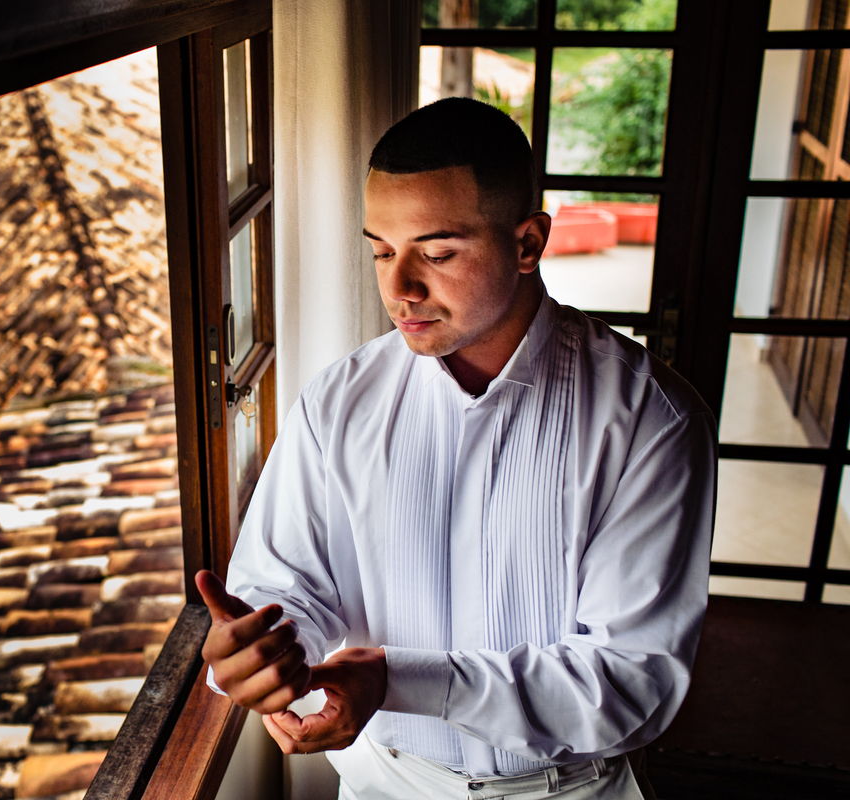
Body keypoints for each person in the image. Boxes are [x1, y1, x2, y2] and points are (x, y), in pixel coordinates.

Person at [197, 97, 716, 799]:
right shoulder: (339, 401)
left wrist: (391, 678)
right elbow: (287, 586)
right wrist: (266, 649)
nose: (400, 287)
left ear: (528, 242)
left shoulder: (652, 419)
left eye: (438, 253)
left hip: (567, 790)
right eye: (381, 250)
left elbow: (627, 684)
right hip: (383, 785)